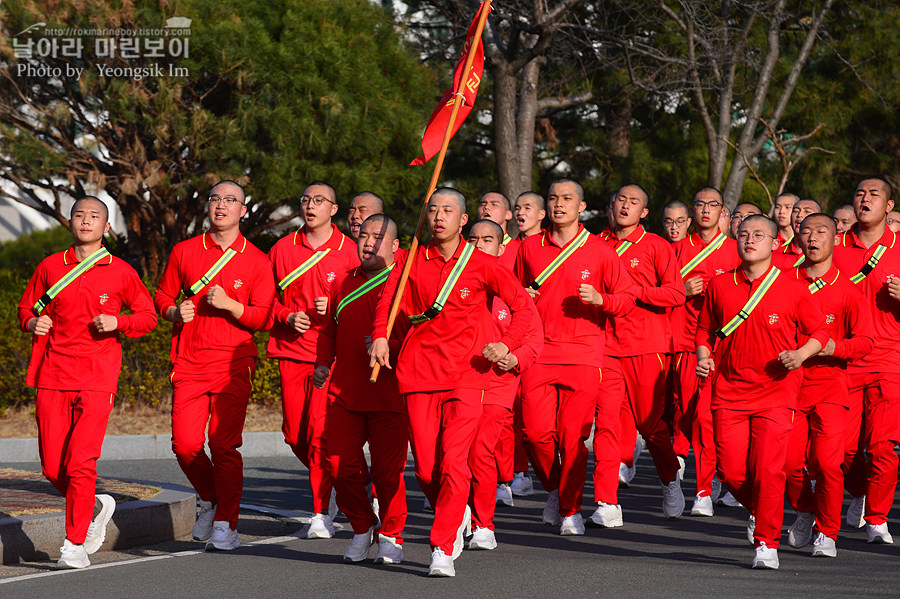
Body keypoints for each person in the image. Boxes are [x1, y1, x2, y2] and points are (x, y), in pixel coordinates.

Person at [370, 187, 536, 578]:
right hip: (418, 372)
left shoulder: (481, 263)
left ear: (463, 220)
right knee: (427, 470)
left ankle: (442, 546)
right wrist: (380, 334)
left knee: (455, 463)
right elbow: (387, 301)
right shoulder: (411, 260)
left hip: (468, 375)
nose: (439, 216)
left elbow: (524, 307)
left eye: (448, 210)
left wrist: (507, 343)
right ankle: (457, 508)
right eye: (433, 210)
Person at [17, 197, 156, 569]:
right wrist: (33, 322)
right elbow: (26, 308)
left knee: (81, 462)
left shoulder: (121, 271)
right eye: (80, 214)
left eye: (95, 216)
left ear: (106, 227)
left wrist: (119, 323)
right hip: (53, 375)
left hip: (97, 376)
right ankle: (95, 505)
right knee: (51, 467)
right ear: (71, 222)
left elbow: (147, 317)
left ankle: (74, 544)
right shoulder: (50, 266)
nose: (86, 220)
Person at [696, 214, 828, 569]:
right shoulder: (719, 285)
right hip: (729, 392)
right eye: (743, 234)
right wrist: (704, 357)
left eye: (758, 235)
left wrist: (800, 355)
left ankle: (766, 543)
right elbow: (705, 329)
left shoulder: (793, 288)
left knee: (770, 470)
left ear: (774, 244)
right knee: (731, 471)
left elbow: (820, 333)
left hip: (776, 392)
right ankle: (763, 506)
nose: (749, 240)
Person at [155, 180, 275, 551]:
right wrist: (175, 311)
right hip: (190, 361)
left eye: (230, 200)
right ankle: (211, 497)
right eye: (215, 199)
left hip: (234, 362)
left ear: (243, 210)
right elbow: (160, 296)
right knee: (185, 445)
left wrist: (230, 305)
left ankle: (227, 524)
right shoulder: (185, 252)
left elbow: (265, 317)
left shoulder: (257, 259)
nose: (221, 206)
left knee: (223, 445)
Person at [514, 178, 635, 536]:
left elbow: (626, 299)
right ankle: (556, 489)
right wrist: (521, 296)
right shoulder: (530, 247)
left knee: (572, 436)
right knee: (535, 434)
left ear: (581, 206)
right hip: (537, 351)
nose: (558, 204)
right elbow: (510, 293)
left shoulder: (600, 250)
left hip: (584, 353)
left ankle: (570, 509)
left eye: (567, 198)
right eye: (553, 198)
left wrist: (602, 300)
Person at [267, 181, 359, 539]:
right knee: (294, 435)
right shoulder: (281, 248)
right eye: (306, 200)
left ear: (334, 209)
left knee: (320, 434)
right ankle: (342, 478)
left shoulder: (350, 251)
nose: (311, 206)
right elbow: (265, 302)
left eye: (319, 201)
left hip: (331, 356)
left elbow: (366, 301)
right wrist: (287, 316)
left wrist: (336, 306)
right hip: (291, 351)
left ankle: (321, 512)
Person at [314, 214, 408, 565]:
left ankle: (392, 535)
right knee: (338, 464)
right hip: (346, 391)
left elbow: (423, 334)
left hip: (391, 395)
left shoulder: (404, 282)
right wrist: (323, 362)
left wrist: (389, 343)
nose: (368, 242)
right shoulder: (343, 282)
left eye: (378, 237)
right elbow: (328, 330)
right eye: (364, 236)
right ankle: (361, 526)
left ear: (395, 246)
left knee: (387, 472)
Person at [592, 185, 686, 526]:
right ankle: (606, 501)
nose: (625, 206)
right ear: (609, 206)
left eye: (634, 202)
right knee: (606, 424)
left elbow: (676, 293)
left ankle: (669, 478)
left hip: (647, 346)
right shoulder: (594, 244)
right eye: (620, 200)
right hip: (605, 347)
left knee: (652, 429)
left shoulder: (656, 246)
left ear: (644, 212)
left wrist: (637, 292)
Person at [782, 213, 874, 558]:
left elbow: (865, 341)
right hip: (787, 383)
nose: (813, 237)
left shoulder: (848, 290)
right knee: (788, 463)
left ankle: (828, 531)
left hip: (831, 383)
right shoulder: (782, 281)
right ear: (799, 239)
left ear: (836, 239)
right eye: (806, 231)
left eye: (821, 231)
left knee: (828, 463)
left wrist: (837, 347)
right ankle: (805, 510)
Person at [464, 219, 543, 550]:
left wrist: (516, 357)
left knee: (481, 450)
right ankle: (459, 508)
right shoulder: (455, 285)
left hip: (498, 384)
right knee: (448, 456)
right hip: (459, 381)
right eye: (473, 239)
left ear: (500, 247)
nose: (480, 245)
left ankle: (483, 523)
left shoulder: (514, 292)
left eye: (487, 240)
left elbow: (535, 339)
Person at [833, 177, 900, 544]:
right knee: (839, 449)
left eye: (875, 195)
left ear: (888, 207)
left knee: (882, 447)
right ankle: (858, 490)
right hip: (842, 360)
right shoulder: (833, 244)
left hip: (888, 358)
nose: (865, 199)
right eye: (859, 193)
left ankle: (878, 518)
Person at [670, 187, 741, 517]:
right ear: (692, 212)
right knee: (687, 418)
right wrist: (681, 290)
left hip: (724, 348)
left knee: (706, 419)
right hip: (685, 345)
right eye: (700, 204)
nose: (706, 210)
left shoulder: (736, 249)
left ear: (722, 211)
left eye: (713, 205)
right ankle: (702, 474)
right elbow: (657, 296)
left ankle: (704, 488)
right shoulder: (675, 249)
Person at [772, 199, 821, 269]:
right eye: (795, 211)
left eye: (807, 211)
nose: (799, 215)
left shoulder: (827, 253)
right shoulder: (775, 253)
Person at [478, 192, 518, 270]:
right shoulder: (467, 247)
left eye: (494, 204)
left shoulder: (520, 250)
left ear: (508, 214)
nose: (486, 207)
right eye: (482, 204)